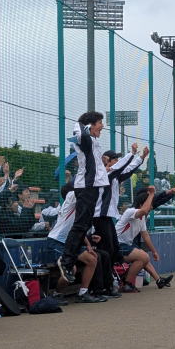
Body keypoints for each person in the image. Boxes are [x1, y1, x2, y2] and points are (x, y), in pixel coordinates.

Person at [58, 111, 110, 285]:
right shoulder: (84, 137)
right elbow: (79, 129)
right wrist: (84, 125)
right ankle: (66, 261)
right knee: (80, 225)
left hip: (92, 187)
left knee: (84, 225)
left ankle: (68, 260)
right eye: (100, 123)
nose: (102, 126)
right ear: (90, 124)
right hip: (86, 187)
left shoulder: (92, 140)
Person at [47, 183, 109, 302]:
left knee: (92, 259)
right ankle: (57, 294)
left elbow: (77, 230)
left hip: (71, 242)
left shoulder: (80, 207)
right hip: (56, 241)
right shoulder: (71, 197)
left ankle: (83, 293)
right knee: (72, 268)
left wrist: (88, 244)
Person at [115, 186, 174, 292]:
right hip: (117, 245)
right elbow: (144, 210)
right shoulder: (130, 211)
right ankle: (127, 284)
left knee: (144, 257)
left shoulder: (142, 218)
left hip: (126, 245)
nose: (151, 207)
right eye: (149, 204)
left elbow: (145, 235)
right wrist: (151, 194)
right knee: (143, 257)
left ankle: (159, 280)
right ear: (141, 204)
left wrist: (154, 251)